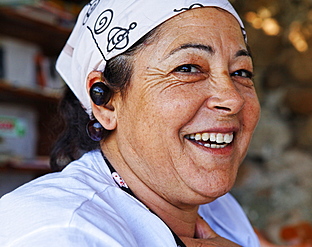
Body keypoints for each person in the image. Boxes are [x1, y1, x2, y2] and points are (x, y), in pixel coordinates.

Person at [0, 0, 262, 246]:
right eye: (188, 68)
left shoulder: (219, 208)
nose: (232, 98)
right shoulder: (61, 230)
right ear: (106, 102)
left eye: (241, 72)